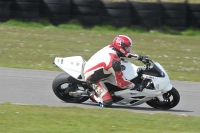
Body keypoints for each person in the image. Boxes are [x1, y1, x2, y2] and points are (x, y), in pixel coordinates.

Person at [83, 35, 148, 107]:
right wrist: (134, 86)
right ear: (121, 47)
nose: (128, 50)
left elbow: (126, 54)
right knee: (107, 102)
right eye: (127, 48)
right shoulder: (114, 63)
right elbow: (121, 83)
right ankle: (91, 93)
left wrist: (140, 57)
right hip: (92, 78)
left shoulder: (113, 47)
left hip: (101, 69)